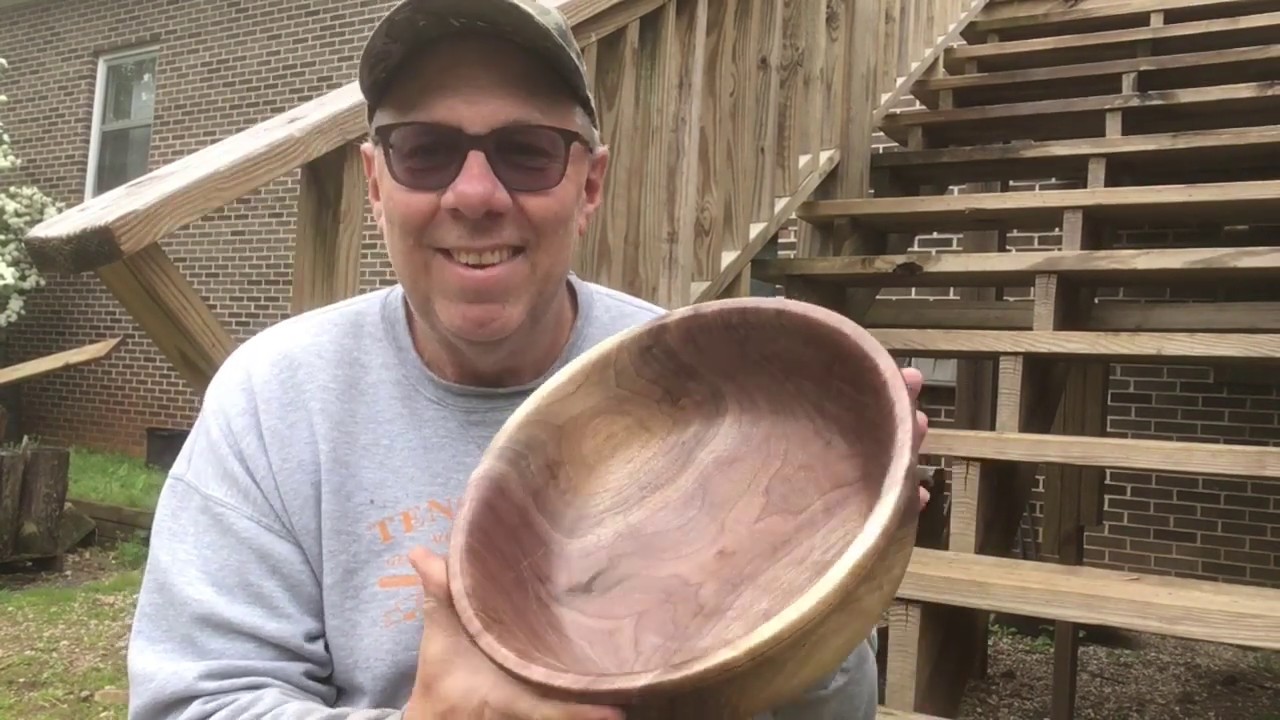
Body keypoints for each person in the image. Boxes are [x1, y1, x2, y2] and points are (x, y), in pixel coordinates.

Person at [125, 0, 932, 718]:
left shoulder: (707, 395)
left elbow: (841, 711)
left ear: (589, 185)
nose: (475, 195)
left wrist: (825, 582)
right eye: (425, 151)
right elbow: (195, 701)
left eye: (528, 152)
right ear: (375, 183)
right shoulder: (276, 401)